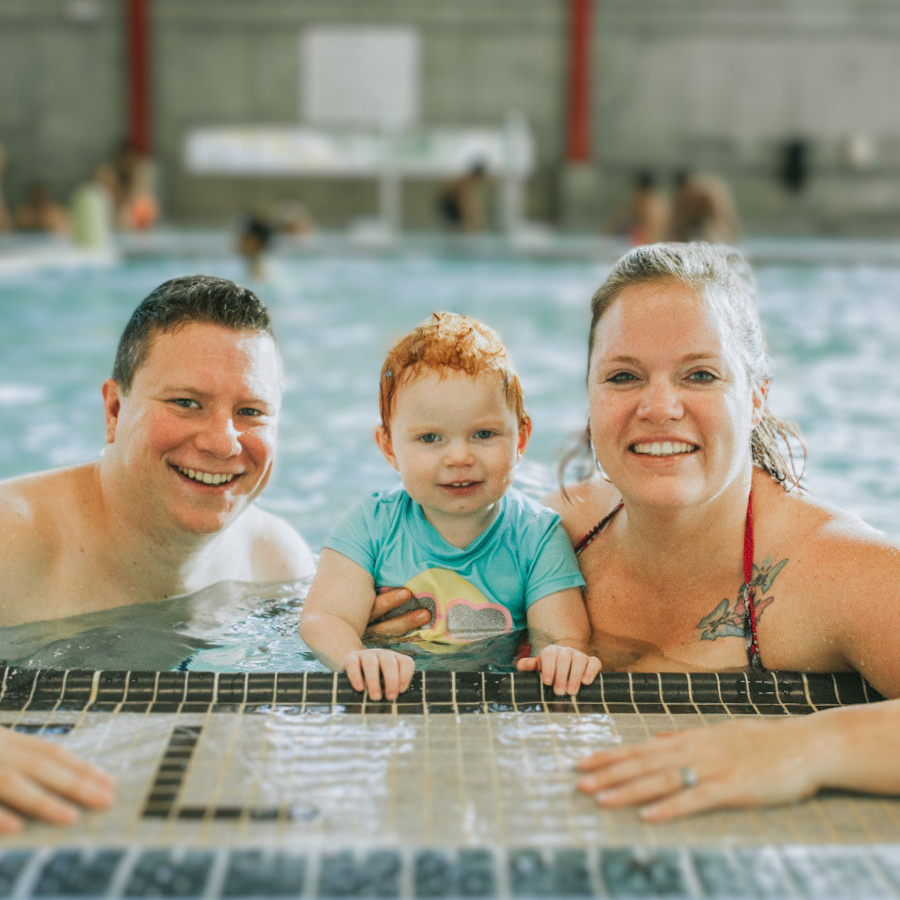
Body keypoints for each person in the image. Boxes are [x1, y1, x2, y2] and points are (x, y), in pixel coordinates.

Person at [367, 243, 900, 819]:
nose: (660, 406)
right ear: (592, 399)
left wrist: (796, 749)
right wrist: (383, 627)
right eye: (624, 376)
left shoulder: (829, 567)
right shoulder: (545, 539)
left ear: (756, 399)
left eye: (700, 374)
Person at [0, 274, 314, 827]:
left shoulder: (276, 561)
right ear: (115, 411)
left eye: (252, 412)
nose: (222, 441)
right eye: (187, 403)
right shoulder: (12, 539)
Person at [300, 312, 601, 700]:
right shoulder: (370, 525)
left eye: (484, 434)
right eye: (430, 438)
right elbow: (325, 618)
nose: (459, 457)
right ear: (390, 447)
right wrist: (356, 658)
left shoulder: (537, 535)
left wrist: (562, 657)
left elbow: (563, 635)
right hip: (391, 697)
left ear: (521, 439)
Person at [669, 170, 740, 244]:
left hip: (715, 228)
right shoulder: (682, 198)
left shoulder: (704, 193)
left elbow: (722, 216)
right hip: (706, 229)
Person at [606, 171, 671, 246]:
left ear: (640, 185)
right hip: (660, 243)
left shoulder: (641, 199)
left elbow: (620, 218)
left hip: (646, 243)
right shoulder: (659, 200)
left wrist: (607, 234)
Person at [437, 162, 490, 233]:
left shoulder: (467, 181)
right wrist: (473, 221)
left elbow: (469, 204)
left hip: (451, 206)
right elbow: (464, 204)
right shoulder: (465, 183)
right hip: (450, 207)